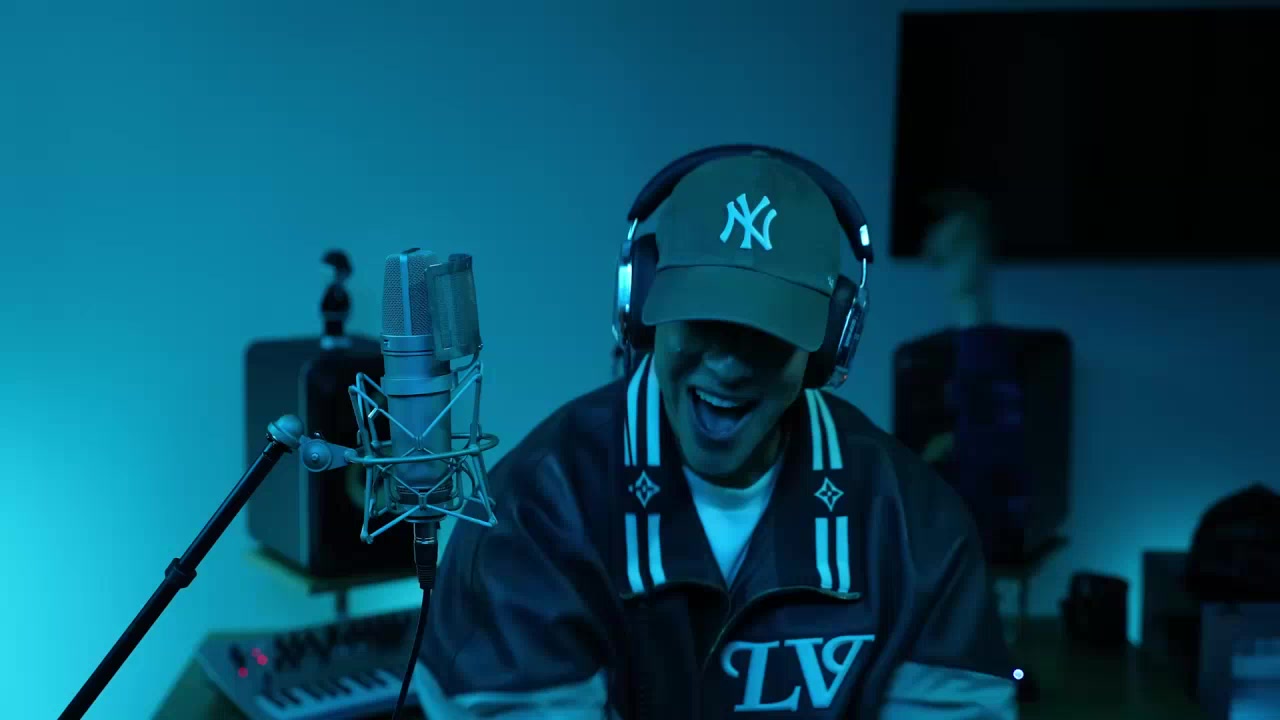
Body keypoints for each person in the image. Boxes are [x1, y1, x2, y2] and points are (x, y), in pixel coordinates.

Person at [412, 150, 1017, 718]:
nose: (727, 365)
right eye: (703, 321)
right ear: (642, 310)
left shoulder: (916, 528)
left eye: (766, 333)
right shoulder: (534, 515)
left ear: (827, 346)